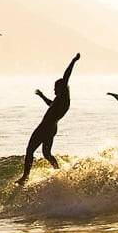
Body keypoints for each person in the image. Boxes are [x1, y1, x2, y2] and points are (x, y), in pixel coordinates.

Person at [17, 52, 80, 185]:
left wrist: (73, 61)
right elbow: (51, 104)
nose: (54, 90)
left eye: (55, 88)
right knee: (46, 154)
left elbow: (66, 75)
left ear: (61, 87)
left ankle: (25, 176)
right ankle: (58, 171)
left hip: (45, 127)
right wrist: (42, 96)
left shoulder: (63, 95)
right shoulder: (61, 101)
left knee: (29, 150)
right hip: (52, 128)